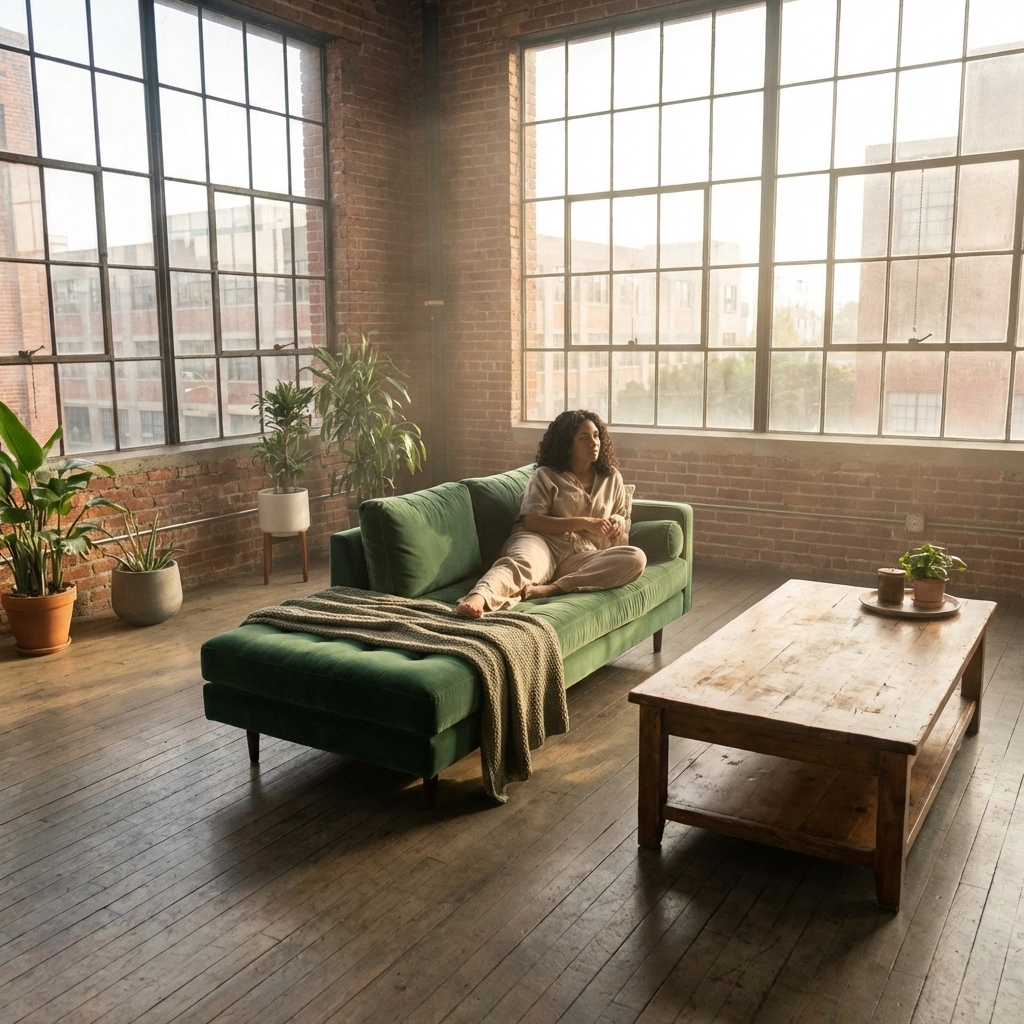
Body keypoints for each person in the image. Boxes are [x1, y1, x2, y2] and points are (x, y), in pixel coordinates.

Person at [456, 409, 646, 618]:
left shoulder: (611, 477)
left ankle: (554, 588)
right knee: (522, 563)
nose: (594, 443)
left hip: (581, 556)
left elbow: (619, 512)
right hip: (542, 542)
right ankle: (478, 597)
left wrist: (617, 520)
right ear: (567, 444)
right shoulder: (545, 475)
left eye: (596, 435)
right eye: (584, 438)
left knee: (636, 558)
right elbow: (531, 521)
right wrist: (585, 522)